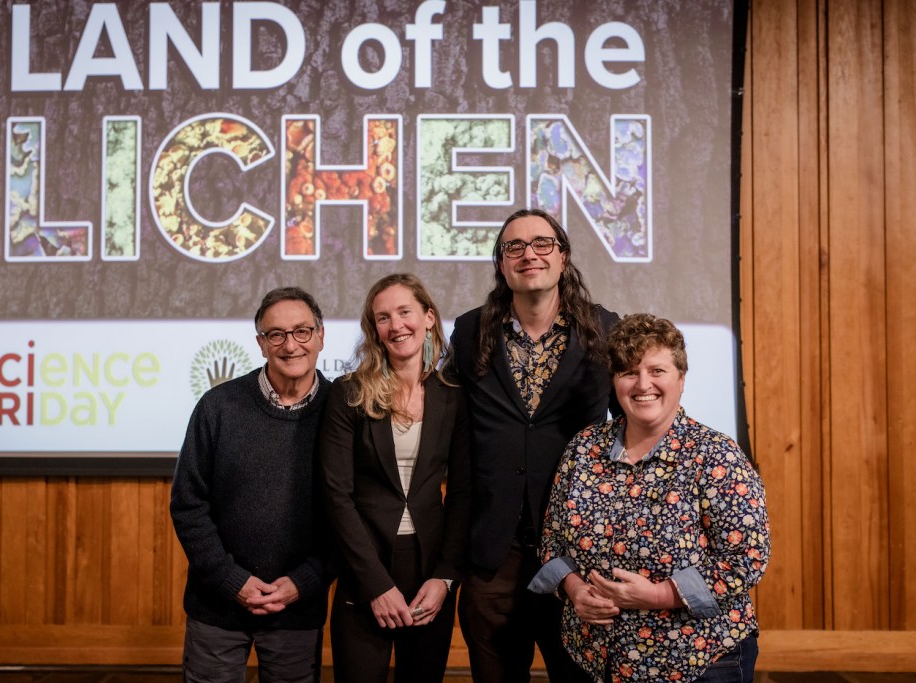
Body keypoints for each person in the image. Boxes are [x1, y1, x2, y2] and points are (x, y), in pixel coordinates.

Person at [532, 313, 771, 682]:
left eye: (657, 370)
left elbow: (748, 557)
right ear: (615, 382)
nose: (643, 384)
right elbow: (552, 541)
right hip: (596, 658)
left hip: (697, 660)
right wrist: (575, 589)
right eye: (629, 372)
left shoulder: (715, 455)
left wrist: (660, 596)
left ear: (681, 378)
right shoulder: (583, 449)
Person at [450, 207, 620, 682]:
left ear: (563, 257)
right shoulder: (468, 332)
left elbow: (633, 432)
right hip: (493, 553)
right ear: (501, 264)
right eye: (515, 247)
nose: (529, 254)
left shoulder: (606, 330)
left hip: (579, 550)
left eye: (542, 244)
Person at [170, 287, 332, 683]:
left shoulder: (342, 411)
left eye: (302, 331)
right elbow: (189, 505)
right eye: (276, 334)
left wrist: (304, 583)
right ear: (261, 344)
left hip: (298, 606)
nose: (290, 344)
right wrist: (232, 581)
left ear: (321, 336)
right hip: (217, 606)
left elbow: (352, 511)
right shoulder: (217, 406)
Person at [320, 273, 470, 683]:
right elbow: (336, 494)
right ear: (374, 330)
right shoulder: (348, 393)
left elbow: (462, 493)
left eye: (404, 312)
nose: (396, 325)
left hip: (429, 572)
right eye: (383, 318)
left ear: (428, 318)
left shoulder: (453, 396)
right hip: (364, 567)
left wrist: (445, 577)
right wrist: (375, 584)